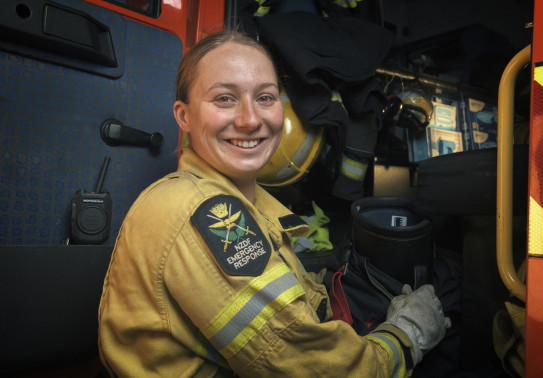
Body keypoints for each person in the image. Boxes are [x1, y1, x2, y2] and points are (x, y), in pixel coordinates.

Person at [97, 30, 450, 377]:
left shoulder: (240, 200)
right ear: (184, 116)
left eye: (265, 98)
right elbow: (307, 367)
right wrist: (404, 338)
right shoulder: (204, 211)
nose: (251, 120)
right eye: (224, 99)